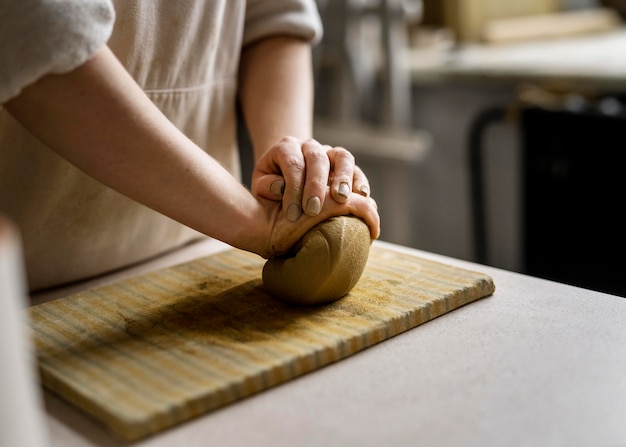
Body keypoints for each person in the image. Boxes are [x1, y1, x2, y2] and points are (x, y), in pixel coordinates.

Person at [0, 0, 380, 292]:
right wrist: (256, 223)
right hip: (26, 288)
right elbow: (35, 36)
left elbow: (273, 18)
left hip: (204, 252)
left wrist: (294, 179)